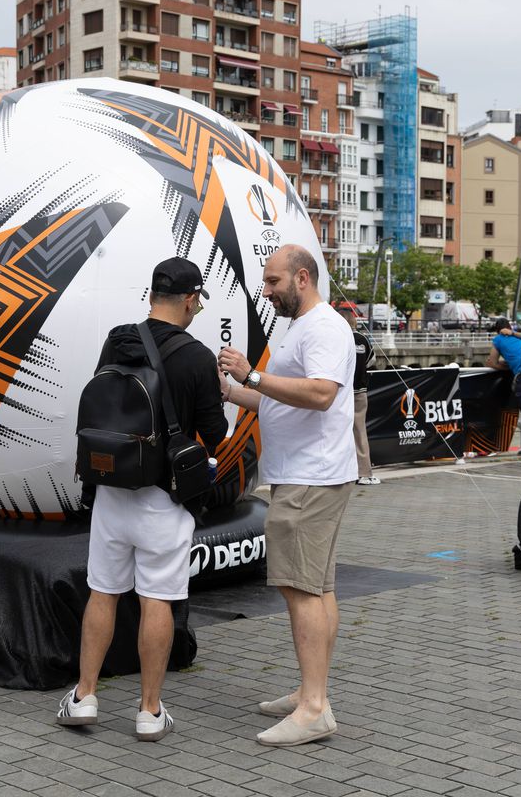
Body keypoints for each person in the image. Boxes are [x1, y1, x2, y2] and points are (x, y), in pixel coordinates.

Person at [56, 257, 227, 741]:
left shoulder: (118, 340)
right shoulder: (197, 356)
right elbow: (215, 433)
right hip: (163, 499)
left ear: (152, 295)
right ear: (191, 300)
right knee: (157, 600)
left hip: (111, 490)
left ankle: (84, 696)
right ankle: (149, 711)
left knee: (103, 593)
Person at [217, 244, 355, 748]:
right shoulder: (303, 326)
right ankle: (311, 691)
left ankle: (314, 707)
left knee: (301, 589)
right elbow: (281, 400)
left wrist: (251, 374)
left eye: (273, 281)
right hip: (310, 475)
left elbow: (320, 394)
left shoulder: (322, 327)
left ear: (302, 278)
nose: (266, 290)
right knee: (317, 587)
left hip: (309, 478)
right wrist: (233, 390)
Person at [338, 306, 379, 485]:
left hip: (338, 392)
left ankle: (340, 471)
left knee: (336, 431)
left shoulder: (337, 337)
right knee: (359, 431)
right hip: (359, 392)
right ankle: (364, 472)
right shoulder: (363, 339)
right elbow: (371, 361)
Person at [487, 316, 521, 454]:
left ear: (497, 330)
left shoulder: (498, 340)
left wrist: (507, 366)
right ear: (510, 327)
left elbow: (492, 363)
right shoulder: (520, 336)